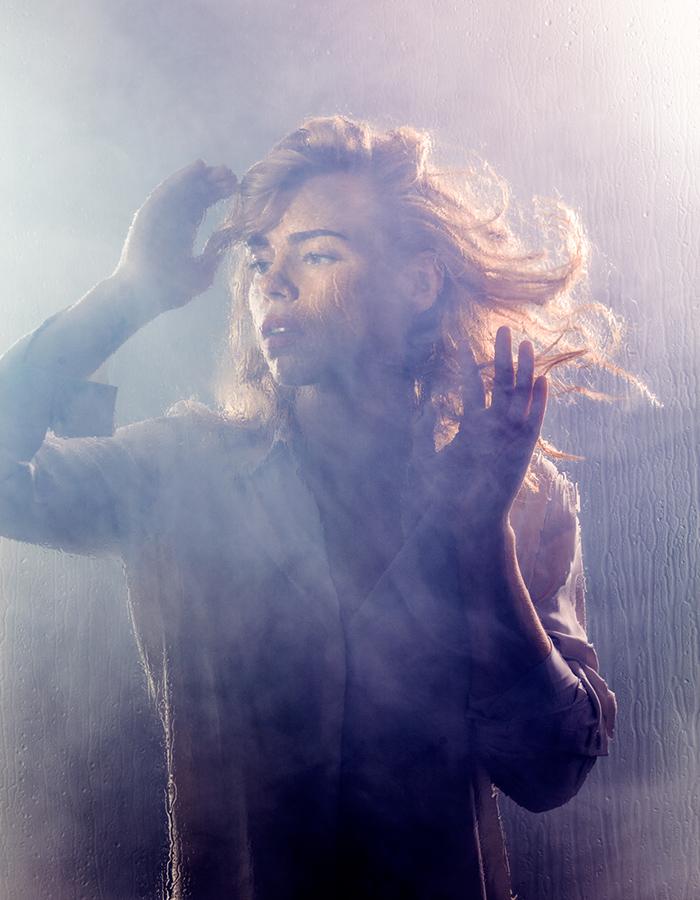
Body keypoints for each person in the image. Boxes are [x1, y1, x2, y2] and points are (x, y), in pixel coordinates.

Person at [0, 117, 617, 899]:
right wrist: (128, 296)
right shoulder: (180, 469)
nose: (273, 283)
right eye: (262, 259)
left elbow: (549, 771)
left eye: (318, 252)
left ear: (418, 283)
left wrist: (478, 539)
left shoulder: (522, 500)